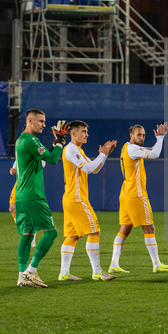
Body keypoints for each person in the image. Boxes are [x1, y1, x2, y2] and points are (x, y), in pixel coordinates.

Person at [108, 123, 168, 274]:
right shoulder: (133, 149)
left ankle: (113, 264)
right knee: (149, 228)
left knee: (124, 229)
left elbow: (151, 150)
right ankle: (156, 264)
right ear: (131, 135)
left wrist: (160, 138)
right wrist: (161, 138)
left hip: (126, 193)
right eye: (139, 135)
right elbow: (155, 154)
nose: (142, 137)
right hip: (136, 195)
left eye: (143, 135)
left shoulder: (127, 147)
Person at [15, 109, 70, 288]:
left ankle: (21, 276)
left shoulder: (21, 140)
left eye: (44, 121)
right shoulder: (31, 140)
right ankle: (31, 271)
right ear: (29, 121)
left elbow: (45, 156)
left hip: (22, 196)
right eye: (40, 121)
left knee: (27, 235)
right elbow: (53, 159)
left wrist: (55, 142)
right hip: (33, 195)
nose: (44, 125)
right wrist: (60, 143)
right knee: (51, 232)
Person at [59, 120, 117, 281]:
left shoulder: (77, 150)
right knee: (94, 231)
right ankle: (97, 271)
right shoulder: (71, 149)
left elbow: (94, 168)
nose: (87, 134)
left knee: (72, 236)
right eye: (84, 131)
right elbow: (89, 169)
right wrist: (103, 153)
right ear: (74, 133)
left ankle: (64, 274)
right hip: (77, 199)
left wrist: (105, 155)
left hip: (72, 198)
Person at [9, 125, 39, 248]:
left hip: (30, 184)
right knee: (12, 208)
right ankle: (24, 231)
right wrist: (13, 169)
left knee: (30, 211)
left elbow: (42, 162)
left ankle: (32, 237)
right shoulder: (20, 144)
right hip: (19, 183)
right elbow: (18, 162)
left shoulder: (36, 145)